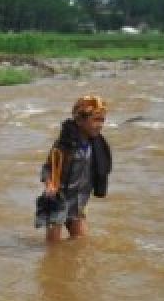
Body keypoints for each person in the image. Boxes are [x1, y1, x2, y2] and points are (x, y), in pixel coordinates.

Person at [35, 94, 112, 242]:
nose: (100, 124)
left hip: (79, 200)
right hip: (58, 199)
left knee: (81, 241)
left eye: (102, 120)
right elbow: (48, 167)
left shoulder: (96, 143)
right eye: (95, 120)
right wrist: (50, 184)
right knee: (53, 245)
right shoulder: (65, 144)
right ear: (79, 120)